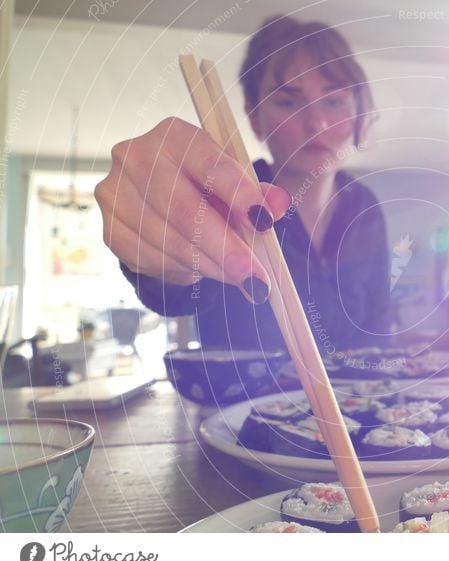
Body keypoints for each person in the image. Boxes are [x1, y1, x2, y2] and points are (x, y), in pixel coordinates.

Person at [94, 15, 390, 354]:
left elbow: (378, 326)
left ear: (358, 111)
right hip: (239, 406)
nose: (317, 122)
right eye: (288, 101)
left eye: (334, 101)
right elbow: (173, 295)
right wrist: (160, 253)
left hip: (353, 405)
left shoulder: (364, 206)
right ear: (254, 118)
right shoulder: (221, 197)